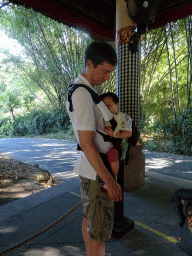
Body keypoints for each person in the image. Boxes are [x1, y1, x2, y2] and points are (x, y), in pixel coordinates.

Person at [67, 41, 123, 256]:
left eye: (110, 73)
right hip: (97, 173)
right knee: (99, 233)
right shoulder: (82, 94)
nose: (107, 77)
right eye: (104, 71)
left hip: (90, 170)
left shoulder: (86, 91)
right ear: (89, 63)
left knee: (91, 220)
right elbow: (86, 143)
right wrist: (110, 181)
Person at [99, 92, 132, 187]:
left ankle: (112, 179)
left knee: (113, 154)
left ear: (117, 106)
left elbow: (128, 133)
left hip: (120, 146)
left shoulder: (124, 117)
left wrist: (113, 135)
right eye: (103, 107)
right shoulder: (103, 119)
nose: (106, 109)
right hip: (108, 145)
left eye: (108, 105)